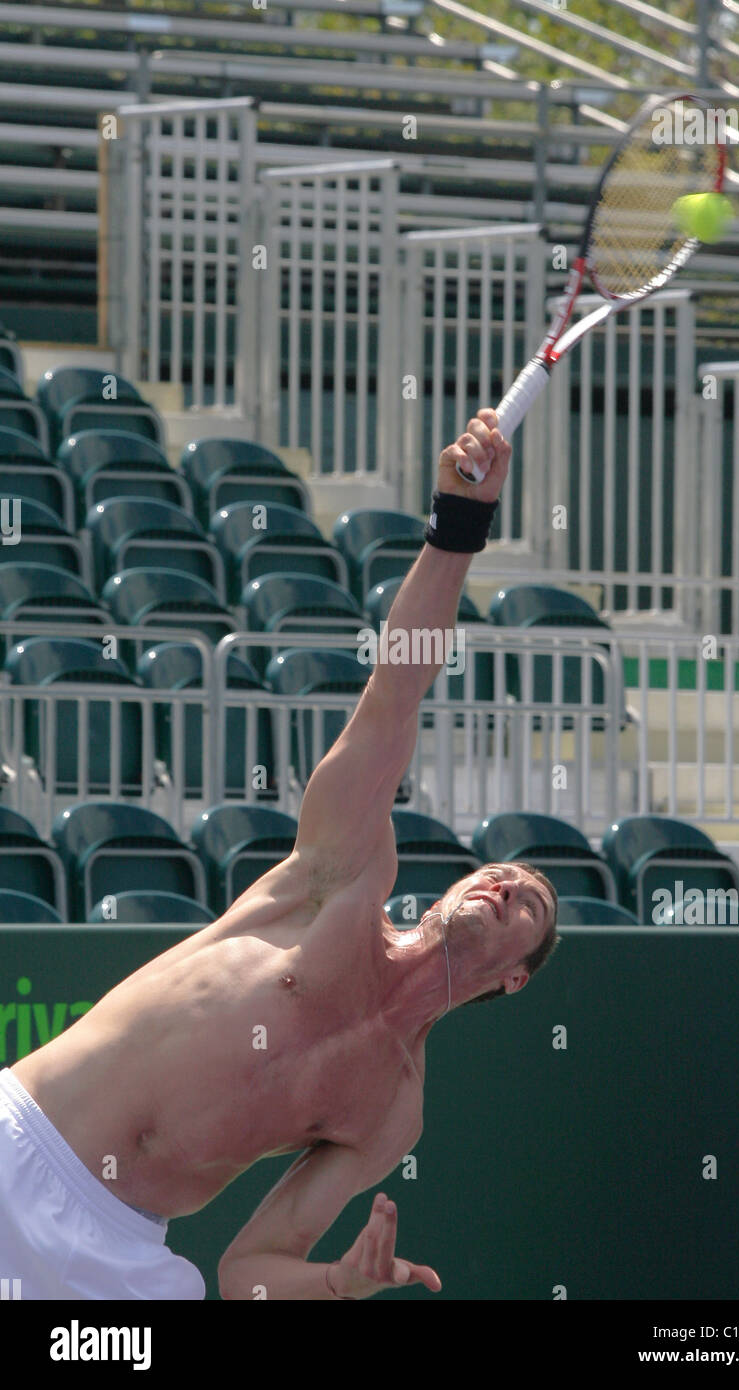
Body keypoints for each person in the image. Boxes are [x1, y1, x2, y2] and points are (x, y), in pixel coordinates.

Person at [1, 409, 558, 1301]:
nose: (502, 881)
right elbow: (394, 695)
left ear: (516, 977)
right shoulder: (341, 879)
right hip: (20, 1142)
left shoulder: (390, 1116)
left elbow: (248, 1272)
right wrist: (458, 525)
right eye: (497, 870)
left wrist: (339, 1281)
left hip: (119, 1256)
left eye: (527, 898)